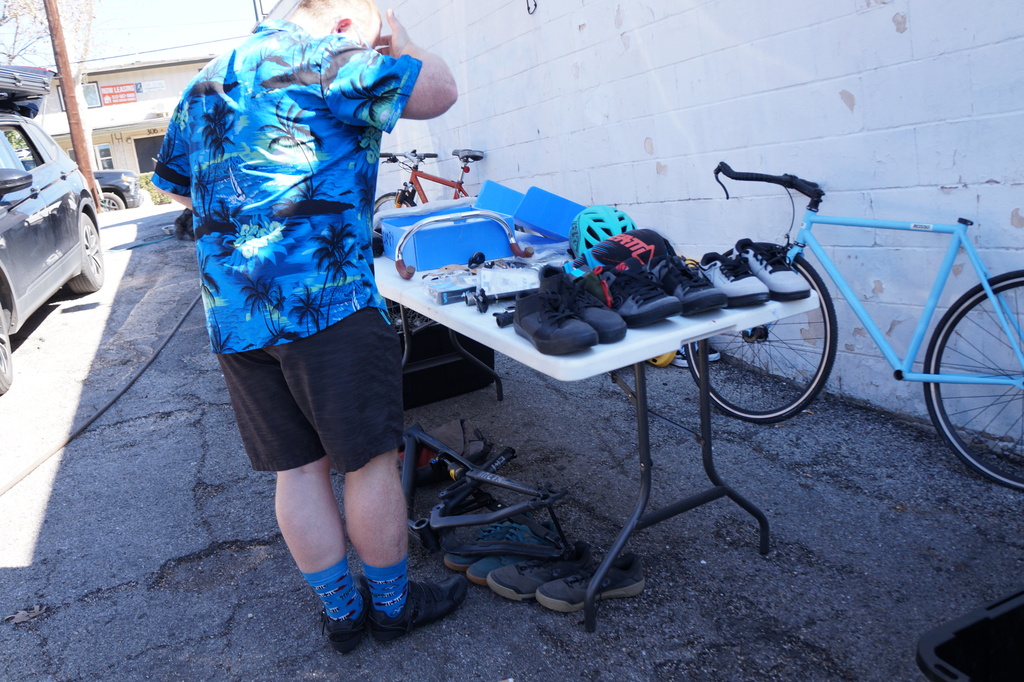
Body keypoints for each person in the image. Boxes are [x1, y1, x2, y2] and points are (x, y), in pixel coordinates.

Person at [151, 0, 466, 654]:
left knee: (297, 470)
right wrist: (400, 38)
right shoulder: (332, 58)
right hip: (329, 309)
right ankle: (392, 608)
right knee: (369, 464)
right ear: (345, 18)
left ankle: (342, 616)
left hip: (236, 315)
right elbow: (439, 91)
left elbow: (179, 186)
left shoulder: (207, 79)